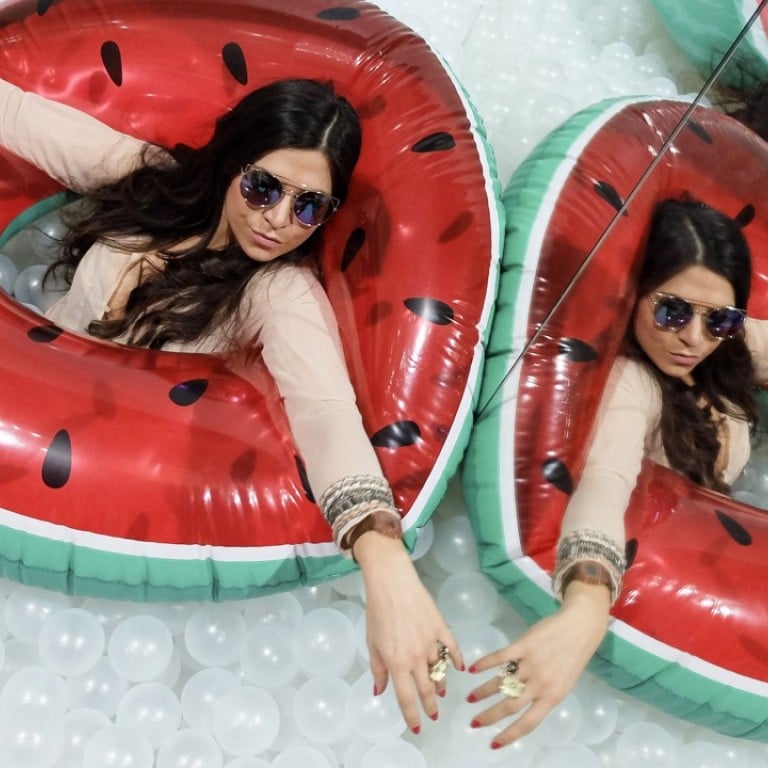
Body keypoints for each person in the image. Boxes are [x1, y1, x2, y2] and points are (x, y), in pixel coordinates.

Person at [0, 75, 463, 731]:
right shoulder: (148, 179)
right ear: (230, 161)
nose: (278, 220)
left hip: (93, 508)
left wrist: (384, 557)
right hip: (15, 418)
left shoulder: (276, 293)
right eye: (264, 187)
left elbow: (325, 410)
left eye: (310, 208)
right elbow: (16, 114)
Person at [465, 197, 768, 748]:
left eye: (718, 319)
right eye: (672, 311)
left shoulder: (724, 346)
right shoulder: (633, 381)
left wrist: (732, 328)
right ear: (634, 294)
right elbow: (605, 482)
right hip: (675, 583)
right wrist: (585, 606)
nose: (693, 338)